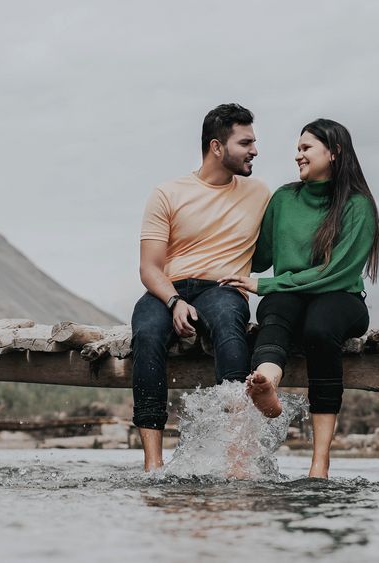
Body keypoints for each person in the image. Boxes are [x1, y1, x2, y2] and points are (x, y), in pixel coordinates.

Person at [219, 118, 379, 479]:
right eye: (298, 149)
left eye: (305, 148)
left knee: (319, 328)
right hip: (290, 297)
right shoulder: (284, 199)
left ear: (334, 152)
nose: (298, 156)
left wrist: (266, 285)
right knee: (275, 311)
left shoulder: (358, 206)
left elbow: (336, 271)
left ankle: (319, 463)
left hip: (340, 298)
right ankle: (266, 385)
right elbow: (258, 256)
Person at [132, 103, 271, 472]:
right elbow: (149, 268)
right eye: (246, 142)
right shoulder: (167, 193)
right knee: (146, 334)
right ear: (216, 147)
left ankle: (236, 459)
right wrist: (175, 301)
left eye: (254, 142)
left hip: (223, 288)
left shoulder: (260, 194)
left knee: (229, 323)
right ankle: (153, 464)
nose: (255, 150)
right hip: (167, 289)